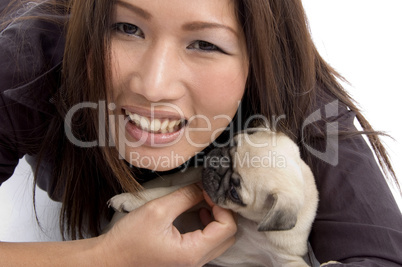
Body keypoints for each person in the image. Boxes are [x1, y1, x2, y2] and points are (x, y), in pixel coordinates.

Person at [0, 0, 401, 266]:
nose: (154, 86)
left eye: (205, 44)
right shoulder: (24, 61)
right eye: (125, 27)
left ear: (262, 58)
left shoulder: (298, 95)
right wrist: (104, 256)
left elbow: (378, 256)